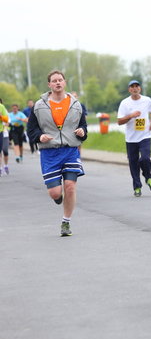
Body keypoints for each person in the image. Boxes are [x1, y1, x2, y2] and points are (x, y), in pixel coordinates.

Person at [27, 70, 88, 237]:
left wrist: (82, 131)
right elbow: (31, 129)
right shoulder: (39, 106)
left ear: (65, 82)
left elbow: (83, 126)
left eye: (60, 80)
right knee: (55, 192)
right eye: (54, 81)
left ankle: (66, 222)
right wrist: (39, 136)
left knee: (70, 186)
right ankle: (57, 197)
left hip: (70, 150)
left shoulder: (76, 105)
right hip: (49, 153)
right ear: (49, 85)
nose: (58, 83)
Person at [117, 80, 151, 197]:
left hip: (145, 136)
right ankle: (137, 187)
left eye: (137, 86)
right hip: (131, 139)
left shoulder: (147, 100)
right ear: (129, 89)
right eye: (132, 87)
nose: (135, 89)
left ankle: (148, 177)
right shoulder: (125, 103)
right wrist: (131, 115)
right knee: (133, 163)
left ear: (140, 88)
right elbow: (119, 122)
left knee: (145, 159)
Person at [0, 99, 9, 175]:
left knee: (5, 151)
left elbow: (7, 121)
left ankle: (5, 165)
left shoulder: (2, 108)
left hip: (3, 132)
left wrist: (1, 116)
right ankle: (0, 168)